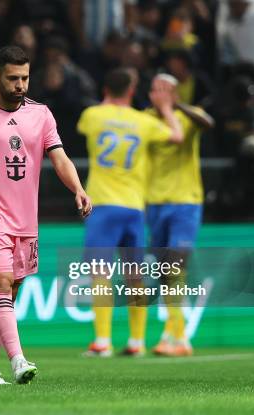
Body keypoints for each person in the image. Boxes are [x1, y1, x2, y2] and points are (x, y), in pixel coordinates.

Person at [0, 46, 92, 384]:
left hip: (26, 220)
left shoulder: (41, 114)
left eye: (25, 78)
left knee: (8, 294)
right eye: (13, 78)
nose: (20, 85)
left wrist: (78, 188)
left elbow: (58, 156)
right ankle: (18, 361)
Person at [78, 68, 183, 357]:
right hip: (134, 208)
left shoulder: (92, 115)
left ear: (105, 88)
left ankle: (102, 341)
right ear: (133, 90)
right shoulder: (142, 122)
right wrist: (165, 109)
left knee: (100, 273)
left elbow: (85, 127)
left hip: (102, 206)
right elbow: (177, 136)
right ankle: (137, 342)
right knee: (134, 275)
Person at [144, 74, 215, 357]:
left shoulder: (189, 115)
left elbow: (208, 123)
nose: (161, 94)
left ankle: (174, 335)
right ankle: (179, 336)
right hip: (154, 204)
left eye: (167, 89)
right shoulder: (145, 119)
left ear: (177, 92)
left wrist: (176, 106)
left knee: (175, 264)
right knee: (165, 272)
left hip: (186, 202)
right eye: (156, 89)